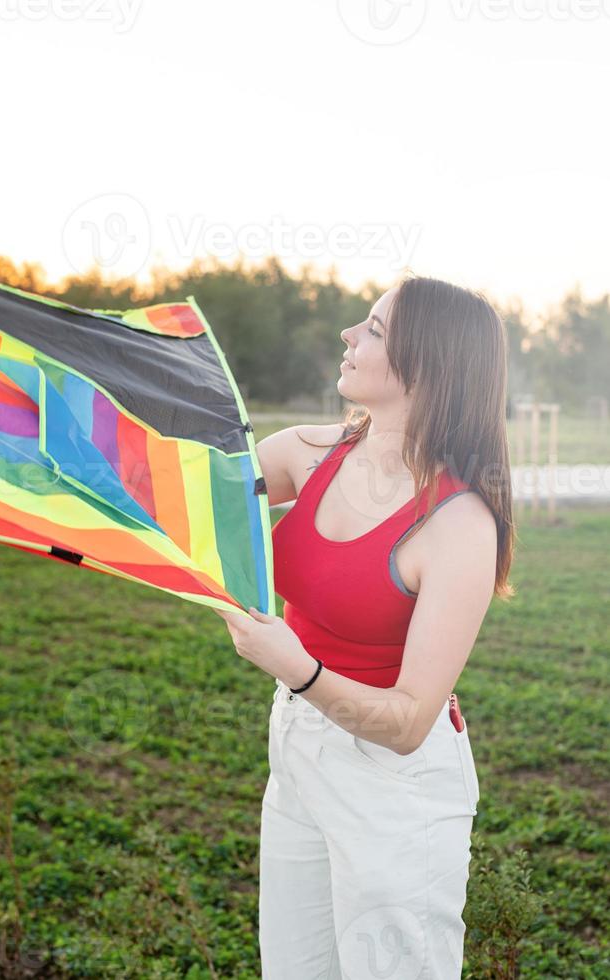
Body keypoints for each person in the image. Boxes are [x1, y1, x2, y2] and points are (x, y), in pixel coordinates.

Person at [215, 273, 516, 979]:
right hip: (296, 748)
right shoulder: (304, 453)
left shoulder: (457, 524)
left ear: (426, 367)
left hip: (394, 784)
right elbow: (182, 498)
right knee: (294, 968)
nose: (348, 336)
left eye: (374, 329)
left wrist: (295, 667)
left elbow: (410, 722)